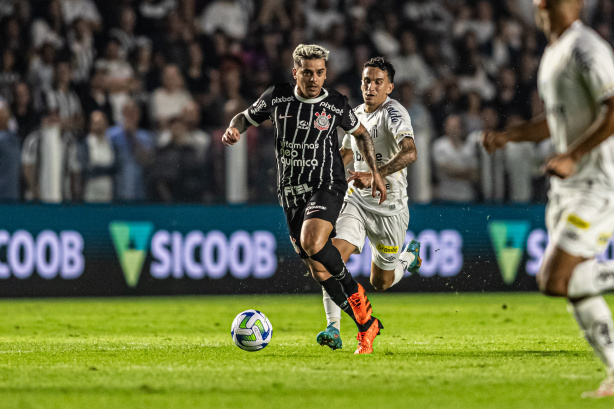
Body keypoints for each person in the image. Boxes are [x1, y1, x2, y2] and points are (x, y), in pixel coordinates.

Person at [483, 0, 614, 398]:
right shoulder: (553, 52)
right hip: (566, 189)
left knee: (555, 279)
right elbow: (552, 125)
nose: (542, 4)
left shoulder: (585, 47)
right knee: (575, 287)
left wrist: (573, 156)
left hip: (597, 185)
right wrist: (509, 135)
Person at [222, 44, 387, 354]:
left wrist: (375, 172)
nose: (315, 79)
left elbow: (361, 134)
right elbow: (245, 117)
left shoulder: (336, 103)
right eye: (308, 73)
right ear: (295, 72)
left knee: (313, 242)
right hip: (290, 193)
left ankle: (358, 299)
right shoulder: (277, 96)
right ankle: (366, 322)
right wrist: (234, 129)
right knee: (318, 269)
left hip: (327, 183)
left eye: (320, 73)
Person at [312, 57, 422, 353]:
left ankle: (409, 259)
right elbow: (347, 154)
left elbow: (410, 152)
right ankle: (334, 328)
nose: (370, 87)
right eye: (366, 81)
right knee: (327, 259)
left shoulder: (395, 113)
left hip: (389, 209)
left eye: (377, 82)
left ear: (389, 87)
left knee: (381, 282)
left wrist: (376, 175)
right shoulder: (356, 113)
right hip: (357, 202)